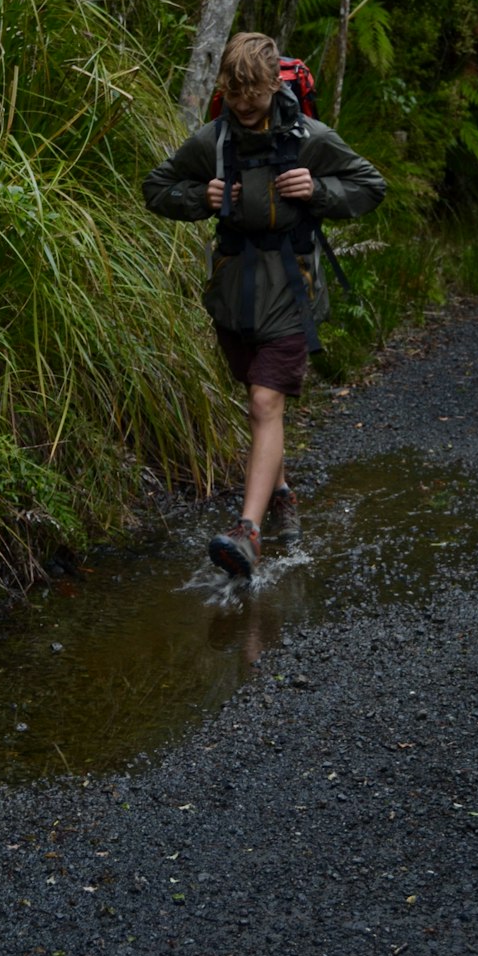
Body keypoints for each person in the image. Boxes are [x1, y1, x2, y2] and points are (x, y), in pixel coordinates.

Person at [142, 32, 386, 577]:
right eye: (235, 94)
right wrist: (197, 198)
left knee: (263, 404)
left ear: (275, 84)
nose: (246, 104)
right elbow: (156, 187)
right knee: (257, 404)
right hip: (233, 295)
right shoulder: (214, 141)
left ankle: (247, 532)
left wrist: (318, 190)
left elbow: (370, 186)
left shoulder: (310, 138)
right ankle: (282, 496)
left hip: (292, 292)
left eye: (254, 92)